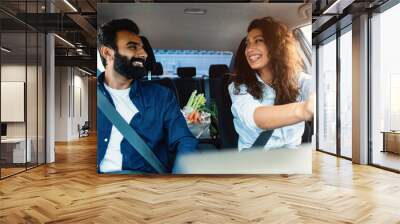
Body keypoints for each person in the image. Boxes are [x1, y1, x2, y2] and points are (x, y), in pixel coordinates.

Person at [97, 18, 197, 173]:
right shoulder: (94, 98)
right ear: (107, 53)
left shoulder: (161, 97)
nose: (144, 54)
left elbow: (184, 140)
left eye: (142, 48)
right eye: (132, 47)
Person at [229, 17, 314, 151]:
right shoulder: (238, 87)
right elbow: (255, 117)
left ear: (276, 46)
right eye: (247, 43)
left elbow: (313, 86)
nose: (249, 49)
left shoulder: (296, 78)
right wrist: (304, 109)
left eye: (258, 41)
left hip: (293, 160)